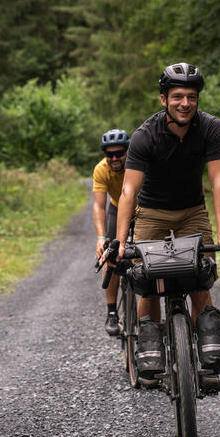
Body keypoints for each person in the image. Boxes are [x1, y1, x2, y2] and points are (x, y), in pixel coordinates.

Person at [113, 63, 220, 390]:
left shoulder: (211, 128)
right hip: (152, 213)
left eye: (191, 96)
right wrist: (118, 241)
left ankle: (209, 351)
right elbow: (128, 190)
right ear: (163, 100)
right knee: (148, 279)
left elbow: (219, 182)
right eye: (177, 97)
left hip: (192, 212)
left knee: (199, 275)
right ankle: (150, 344)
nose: (185, 103)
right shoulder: (146, 135)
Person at [92, 128, 130, 336]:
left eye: (119, 153)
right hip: (116, 208)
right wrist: (100, 238)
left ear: (127, 151)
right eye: (110, 154)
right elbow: (99, 206)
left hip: (141, 209)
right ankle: (112, 312)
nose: (114, 158)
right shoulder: (101, 169)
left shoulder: (137, 164)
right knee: (110, 257)